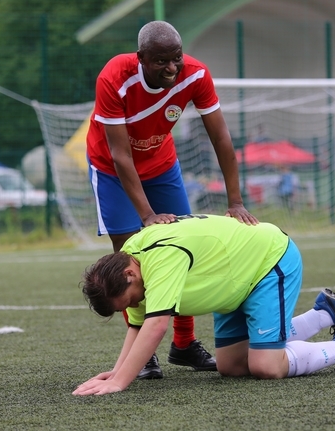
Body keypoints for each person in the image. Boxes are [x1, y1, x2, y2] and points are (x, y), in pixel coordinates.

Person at [85, 20, 258, 379]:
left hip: (162, 166)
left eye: (176, 57)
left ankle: (184, 344)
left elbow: (222, 138)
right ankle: (142, 353)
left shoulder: (195, 75)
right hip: (112, 169)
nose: (172, 67)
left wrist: (236, 200)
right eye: (162, 60)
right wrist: (146, 215)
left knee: (180, 245)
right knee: (128, 257)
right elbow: (120, 155)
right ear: (142, 58)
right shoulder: (114, 77)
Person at [73, 214, 335, 396]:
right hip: (232, 283)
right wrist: (115, 373)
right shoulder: (131, 262)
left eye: (131, 300)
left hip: (266, 263)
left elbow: (156, 326)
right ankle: (324, 313)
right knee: (230, 367)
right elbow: (138, 326)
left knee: (266, 366)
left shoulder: (159, 258)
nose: (136, 304)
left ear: (129, 274)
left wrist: (120, 384)